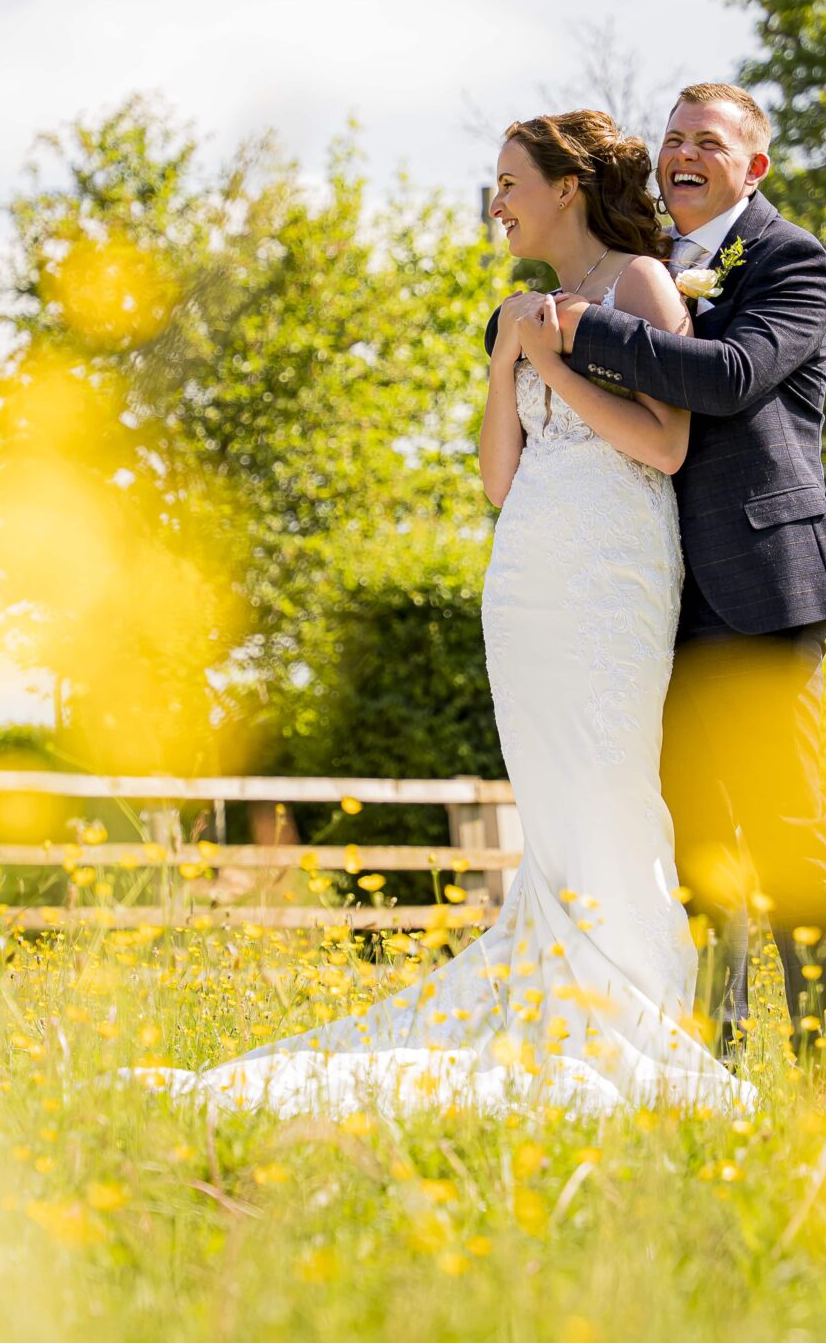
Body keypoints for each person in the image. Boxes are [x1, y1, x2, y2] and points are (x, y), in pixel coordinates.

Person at [143, 108, 750, 1114]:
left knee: (608, 784)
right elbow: (498, 477)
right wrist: (509, 355)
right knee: (553, 802)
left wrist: (553, 357)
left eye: (510, 182)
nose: (496, 202)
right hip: (528, 574)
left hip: (613, 571)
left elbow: (666, 445)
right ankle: (557, 985)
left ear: (566, 188)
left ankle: (631, 1004)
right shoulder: (521, 306)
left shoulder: (640, 283)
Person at [550, 83, 826, 1069]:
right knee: (691, 840)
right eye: (673, 139)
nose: (682, 155)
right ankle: (707, 1065)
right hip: (660, 591)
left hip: (763, 582)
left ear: (753, 166)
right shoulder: (644, 259)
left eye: (709, 143)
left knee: (783, 825)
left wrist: (581, 328)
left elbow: (729, 377)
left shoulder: (789, 259)